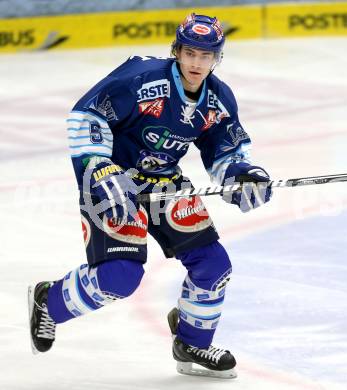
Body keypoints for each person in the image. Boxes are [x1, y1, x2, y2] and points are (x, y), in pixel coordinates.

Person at [28, 13, 272, 379]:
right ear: (177, 50)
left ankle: (192, 343)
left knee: (214, 266)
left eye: (206, 56)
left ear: (216, 58)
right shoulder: (140, 78)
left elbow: (225, 148)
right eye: (189, 53)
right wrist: (98, 166)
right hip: (113, 185)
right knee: (119, 277)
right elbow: (87, 116)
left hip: (165, 182)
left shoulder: (217, 98)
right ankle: (48, 301)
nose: (196, 63)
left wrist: (242, 174)